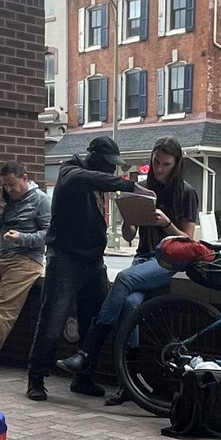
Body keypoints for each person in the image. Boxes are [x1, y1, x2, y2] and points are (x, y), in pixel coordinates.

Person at [56, 136, 199, 404]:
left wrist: (166, 223)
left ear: (177, 164)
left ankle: (88, 351)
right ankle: (128, 384)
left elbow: (188, 241)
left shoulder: (187, 193)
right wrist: (130, 220)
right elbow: (129, 235)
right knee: (131, 305)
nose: (159, 168)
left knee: (122, 279)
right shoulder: (144, 188)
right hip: (143, 258)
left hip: (168, 260)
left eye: (166, 164)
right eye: (156, 162)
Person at [26, 135, 141, 402]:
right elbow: (83, 179)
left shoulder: (95, 180)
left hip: (94, 260)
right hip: (65, 258)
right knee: (53, 320)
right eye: (108, 164)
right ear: (94, 158)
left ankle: (84, 377)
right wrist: (128, 184)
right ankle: (36, 377)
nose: (111, 169)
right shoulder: (70, 170)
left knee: (96, 320)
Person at [0, 161, 51, 375]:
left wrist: (22, 237)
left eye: (12, 184)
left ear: (25, 178)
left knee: (1, 312)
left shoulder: (40, 200)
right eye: (5, 185)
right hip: (1, 259)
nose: (9, 189)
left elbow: (49, 234)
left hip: (25, 261)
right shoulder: (7, 201)